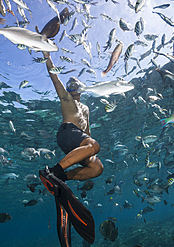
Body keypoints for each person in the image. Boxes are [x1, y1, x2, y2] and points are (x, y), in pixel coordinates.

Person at [39, 51, 103, 246]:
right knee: (95, 145)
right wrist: (46, 55)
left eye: (76, 85)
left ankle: (60, 178)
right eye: (70, 85)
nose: (73, 87)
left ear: (81, 88)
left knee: (97, 168)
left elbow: (88, 131)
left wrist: (89, 147)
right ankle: (54, 172)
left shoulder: (86, 109)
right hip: (67, 133)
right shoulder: (66, 98)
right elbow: (54, 76)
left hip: (80, 141)